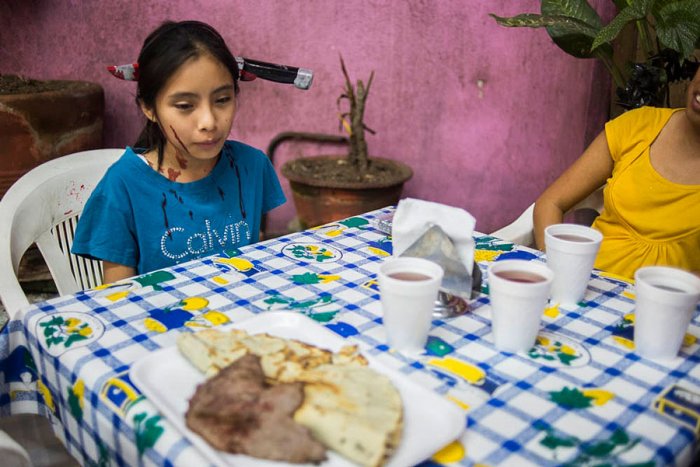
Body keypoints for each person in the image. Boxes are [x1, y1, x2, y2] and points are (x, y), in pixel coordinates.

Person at [72, 20, 286, 283]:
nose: (208, 121)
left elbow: (253, 255)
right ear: (149, 107)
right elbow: (117, 295)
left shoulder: (251, 166)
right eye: (185, 105)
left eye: (222, 100)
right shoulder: (123, 185)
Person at [534, 67, 700, 280]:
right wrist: (559, 270)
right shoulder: (638, 126)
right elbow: (550, 203)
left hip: (667, 305)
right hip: (585, 286)